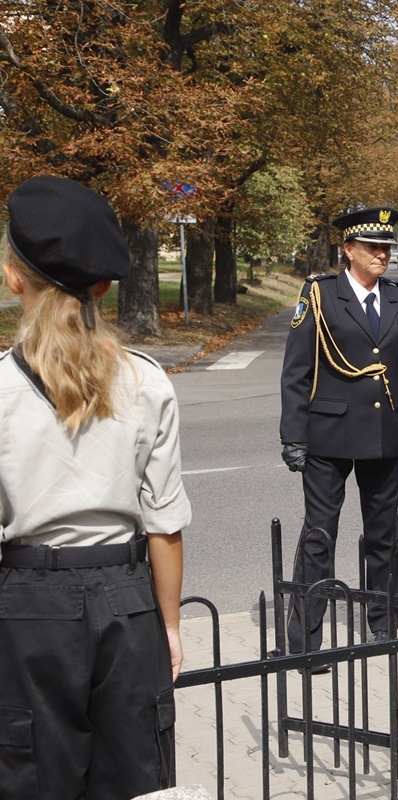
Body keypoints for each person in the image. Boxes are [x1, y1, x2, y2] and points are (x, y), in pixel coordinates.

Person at [0, 175, 192, 797]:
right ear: (106, 287)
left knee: (31, 778)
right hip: (125, 601)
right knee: (137, 779)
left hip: (26, 607)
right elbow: (164, 524)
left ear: (13, 277)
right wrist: (167, 627)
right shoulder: (146, 383)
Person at [280, 207, 398, 656]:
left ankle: (382, 625)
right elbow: (296, 371)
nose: (382, 255)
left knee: (383, 534)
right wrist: (292, 434)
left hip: (383, 433)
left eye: (387, 248)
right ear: (348, 251)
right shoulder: (319, 295)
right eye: (372, 248)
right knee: (319, 536)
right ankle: (305, 642)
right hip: (328, 435)